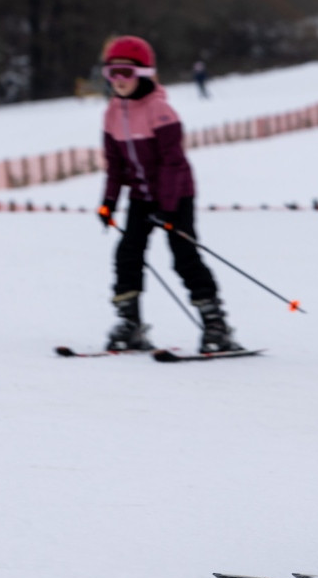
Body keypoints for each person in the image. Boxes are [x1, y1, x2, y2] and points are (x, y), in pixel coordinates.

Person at [97, 35, 244, 354]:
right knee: (127, 255)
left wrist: (166, 207)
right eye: (112, 73)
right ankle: (130, 324)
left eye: (126, 73)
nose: (119, 81)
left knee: (184, 257)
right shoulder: (110, 113)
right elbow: (115, 166)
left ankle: (216, 326)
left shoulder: (160, 110)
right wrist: (108, 203)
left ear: (145, 74)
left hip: (175, 197)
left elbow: (173, 163)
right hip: (140, 197)